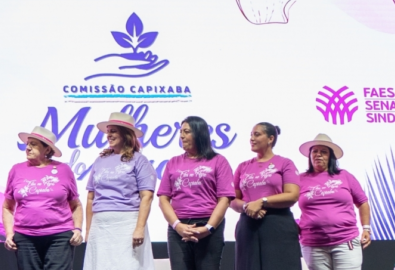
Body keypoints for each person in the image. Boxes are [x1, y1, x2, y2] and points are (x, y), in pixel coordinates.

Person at [157, 116, 235, 270]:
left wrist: (208, 228)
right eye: (180, 132)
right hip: (178, 227)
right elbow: (163, 199)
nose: (181, 136)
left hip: (208, 225)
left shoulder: (218, 161)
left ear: (200, 133)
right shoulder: (173, 162)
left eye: (186, 131)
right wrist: (177, 225)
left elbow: (225, 199)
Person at [3, 126, 84, 270]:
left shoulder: (63, 170)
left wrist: (77, 229)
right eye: (27, 144)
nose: (28, 148)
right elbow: (7, 207)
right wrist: (9, 233)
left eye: (33, 145)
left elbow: (76, 204)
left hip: (59, 235)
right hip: (25, 237)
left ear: (47, 150)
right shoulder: (16, 170)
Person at [84, 112, 157, 270]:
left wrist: (139, 228)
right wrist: (89, 230)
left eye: (113, 131)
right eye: (108, 131)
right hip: (100, 225)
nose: (109, 135)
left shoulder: (139, 160)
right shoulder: (100, 161)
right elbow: (90, 197)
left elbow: (147, 197)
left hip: (127, 224)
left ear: (126, 134)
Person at [229, 122, 301, 270]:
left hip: (278, 225)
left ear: (270, 139)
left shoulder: (285, 163)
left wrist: (262, 201)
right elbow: (231, 199)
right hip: (248, 225)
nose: (252, 138)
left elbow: (292, 195)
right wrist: (246, 206)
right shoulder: (243, 166)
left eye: (257, 134)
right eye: (251, 135)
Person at [297, 134, 372, 270]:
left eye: (323, 152)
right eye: (315, 151)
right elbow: (284, 202)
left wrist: (366, 228)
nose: (318, 155)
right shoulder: (300, 179)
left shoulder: (345, 176)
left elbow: (362, 202)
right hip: (313, 244)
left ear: (331, 156)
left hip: (346, 241)